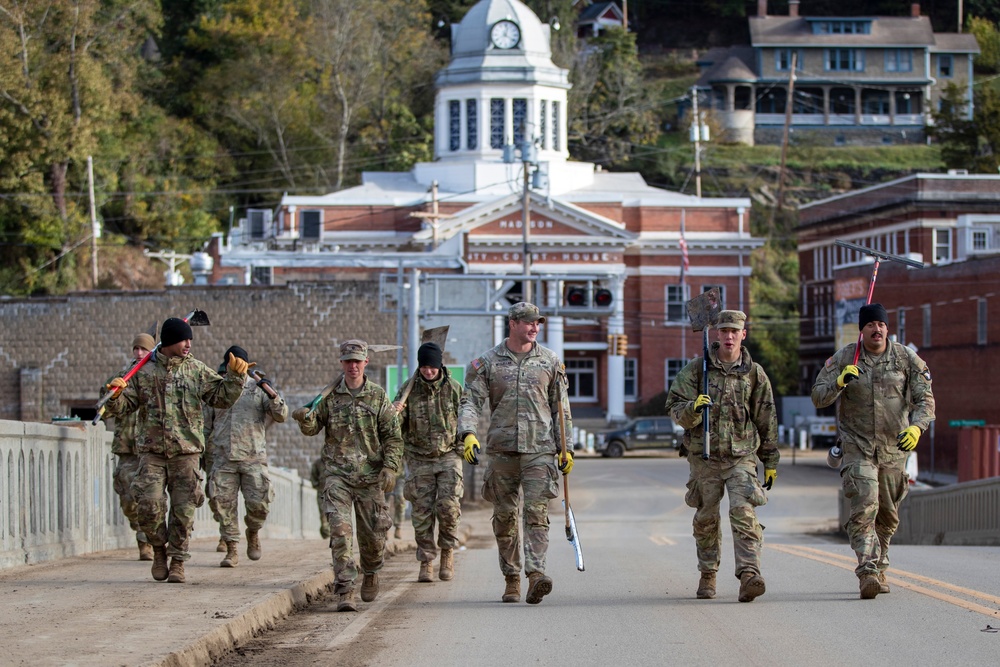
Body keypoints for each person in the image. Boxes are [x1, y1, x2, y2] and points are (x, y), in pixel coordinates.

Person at [104, 317, 248, 584]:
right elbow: (124, 407)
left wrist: (237, 378)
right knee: (149, 507)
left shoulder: (196, 370)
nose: (188, 344)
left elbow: (222, 398)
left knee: (184, 512)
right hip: (152, 453)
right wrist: (115, 395)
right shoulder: (143, 371)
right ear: (169, 342)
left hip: (186, 453)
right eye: (184, 339)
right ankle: (159, 552)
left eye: (190, 339)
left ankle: (179, 561)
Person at [811, 303, 935, 599]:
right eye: (870, 325)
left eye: (881, 325)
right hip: (857, 447)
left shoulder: (906, 358)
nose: (876, 329)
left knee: (888, 516)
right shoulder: (845, 357)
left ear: (887, 329)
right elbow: (818, 396)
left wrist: (917, 427)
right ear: (862, 330)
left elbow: (925, 400)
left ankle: (879, 565)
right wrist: (840, 382)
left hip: (894, 449)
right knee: (865, 505)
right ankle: (867, 571)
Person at [458, 302, 574, 605]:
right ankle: (511, 578)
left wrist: (567, 448)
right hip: (502, 452)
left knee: (537, 515)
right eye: (528, 323)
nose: (534, 328)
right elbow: (470, 402)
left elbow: (561, 410)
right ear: (512, 323)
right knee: (505, 517)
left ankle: (536, 574)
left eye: (537, 323)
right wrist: (468, 433)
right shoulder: (487, 363)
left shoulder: (550, 361)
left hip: (539, 450)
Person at [664, 309, 779, 603]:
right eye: (724, 331)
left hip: (741, 456)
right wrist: (692, 409)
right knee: (706, 520)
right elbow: (674, 406)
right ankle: (708, 573)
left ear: (743, 334)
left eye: (734, 331)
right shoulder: (696, 370)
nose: (729, 336)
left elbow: (766, 417)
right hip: (704, 458)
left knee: (744, 514)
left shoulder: (755, 374)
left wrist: (771, 460)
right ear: (716, 334)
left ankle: (750, 574)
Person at [292, 339, 403, 612]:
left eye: (357, 361)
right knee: (340, 532)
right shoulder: (330, 397)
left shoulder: (378, 396)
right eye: (348, 361)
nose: (353, 366)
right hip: (337, 475)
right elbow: (313, 427)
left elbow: (393, 437)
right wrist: (304, 419)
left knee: (373, 538)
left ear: (366, 362)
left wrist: (390, 467)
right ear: (341, 363)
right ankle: (345, 590)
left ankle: (372, 570)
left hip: (370, 478)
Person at [204, 346, 288, 568]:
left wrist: (271, 392)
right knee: (223, 505)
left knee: (259, 505)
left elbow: (281, 415)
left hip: (253, 457)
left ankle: (253, 531)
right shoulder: (217, 389)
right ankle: (231, 549)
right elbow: (205, 425)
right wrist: (200, 455)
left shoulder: (258, 389)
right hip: (223, 458)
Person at [392, 341, 463, 583]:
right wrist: (394, 413)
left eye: (432, 367)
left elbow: (466, 421)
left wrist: (464, 447)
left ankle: (447, 553)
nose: (428, 372)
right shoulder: (407, 391)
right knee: (421, 514)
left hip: (449, 457)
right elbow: (394, 428)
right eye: (424, 367)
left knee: (448, 508)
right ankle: (426, 561)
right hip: (419, 458)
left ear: (439, 366)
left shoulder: (454, 388)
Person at [101, 333, 155, 561]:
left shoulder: (157, 377)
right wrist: (113, 393)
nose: (139, 353)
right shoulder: (122, 376)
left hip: (150, 447)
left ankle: (148, 542)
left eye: (143, 349)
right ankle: (141, 532)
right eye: (136, 349)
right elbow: (106, 407)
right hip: (126, 447)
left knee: (150, 498)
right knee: (126, 497)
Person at [310, 458, 331, 539]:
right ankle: (326, 533)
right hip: (321, 493)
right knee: (323, 512)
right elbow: (313, 477)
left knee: (333, 513)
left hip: (333, 492)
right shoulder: (318, 463)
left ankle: (331, 532)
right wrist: (317, 485)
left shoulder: (335, 462)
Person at [385, 467, 406, 540]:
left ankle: (398, 527)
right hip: (386, 474)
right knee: (385, 504)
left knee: (400, 499)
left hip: (400, 476)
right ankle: (385, 528)